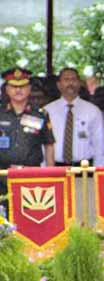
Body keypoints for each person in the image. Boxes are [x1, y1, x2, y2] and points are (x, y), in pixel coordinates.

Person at [0, 67, 55, 203]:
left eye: (23, 86)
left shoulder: (41, 114)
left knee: (31, 216)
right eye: (13, 86)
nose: (18, 90)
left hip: (32, 176)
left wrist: (51, 175)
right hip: (2, 176)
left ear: (29, 88)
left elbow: (49, 145)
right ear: (6, 89)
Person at [44, 67, 104, 167]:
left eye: (74, 80)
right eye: (66, 80)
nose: (70, 83)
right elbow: (43, 146)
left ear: (79, 83)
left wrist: (98, 171)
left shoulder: (93, 111)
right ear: (59, 85)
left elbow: (99, 146)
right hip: (55, 167)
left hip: (84, 168)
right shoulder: (48, 111)